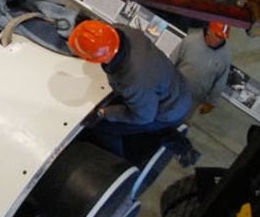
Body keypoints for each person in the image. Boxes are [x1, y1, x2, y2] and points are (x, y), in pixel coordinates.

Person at [68, 19, 195, 156]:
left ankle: (117, 163)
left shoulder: (133, 80)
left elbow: (143, 117)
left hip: (169, 109)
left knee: (104, 128)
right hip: (173, 85)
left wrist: (104, 113)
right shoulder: (121, 31)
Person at [171, 21, 233, 112]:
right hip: (173, 89)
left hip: (193, 99)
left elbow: (220, 82)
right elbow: (172, 60)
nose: (219, 40)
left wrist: (212, 102)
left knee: (180, 122)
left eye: (222, 38)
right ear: (209, 31)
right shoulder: (189, 41)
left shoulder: (225, 58)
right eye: (217, 36)